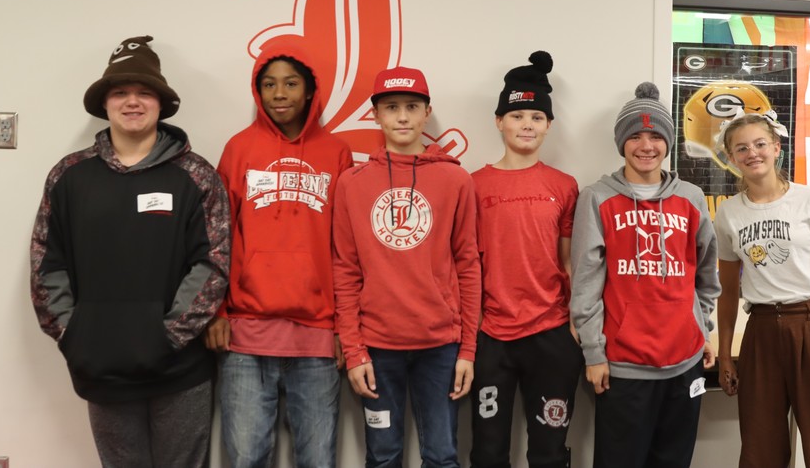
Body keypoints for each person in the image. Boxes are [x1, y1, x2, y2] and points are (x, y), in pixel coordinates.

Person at [29, 35, 230, 467]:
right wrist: (74, 334)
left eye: (144, 92)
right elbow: (48, 264)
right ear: (104, 103)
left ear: (161, 103)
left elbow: (213, 263)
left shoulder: (197, 176)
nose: (132, 101)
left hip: (180, 370)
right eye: (120, 92)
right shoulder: (69, 176)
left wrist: (165, 337)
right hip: (101, 367)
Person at [204, 38, 353, 468]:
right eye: (269, 85)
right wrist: (217, 311)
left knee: (318, 460)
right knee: (248, 458)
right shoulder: (239, 148)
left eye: (291, 83)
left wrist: (346, 327)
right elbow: (218, 236)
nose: (280, 94)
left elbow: (345, 249)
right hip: (245, 338)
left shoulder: (336, 152)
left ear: (310, 90)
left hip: (317, 337)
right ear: (258, 91)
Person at [333, 66, 481, 468]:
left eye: (412, 107)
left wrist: (467, 349)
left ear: (426, 113)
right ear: (375, 115)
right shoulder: (352, 182)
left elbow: (468, 263)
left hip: (441, 346)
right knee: (382, 456)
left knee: (442, 455)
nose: (402, 116)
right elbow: (345, 269)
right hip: (378, 347)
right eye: (392, 107)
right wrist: (354, 349)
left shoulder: (455, 180)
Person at [571, 82, 720, 468]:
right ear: (622, 142)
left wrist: (702, 329)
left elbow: (706, 273)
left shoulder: (690, 197)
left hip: (684, 364)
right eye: (635, 136)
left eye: (656, 136)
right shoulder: (598, 197)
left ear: (668, 142)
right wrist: (593, 352)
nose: (646, 145)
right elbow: (585, 282)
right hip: (623, 366)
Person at [713, 111, 810, 468]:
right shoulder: (728, 214)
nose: (752, 153)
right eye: (741, 148)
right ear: (732, 157)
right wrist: (724, 354)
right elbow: (728, 290)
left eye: (760, 144)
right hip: (762, 330)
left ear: (777, 147)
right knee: (759, 447)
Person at [469, 51, 583, 468]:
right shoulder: (473, 186)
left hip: (551, 334)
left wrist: (574, 322)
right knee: (488, 449)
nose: (527, 125)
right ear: (499, 121)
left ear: (549, 125)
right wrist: (473, 325)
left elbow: (569, 262)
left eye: (536, 117)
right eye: (517, 116)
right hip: (492, 335)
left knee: (549, 452)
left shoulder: (565, 186)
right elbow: (465, 266)